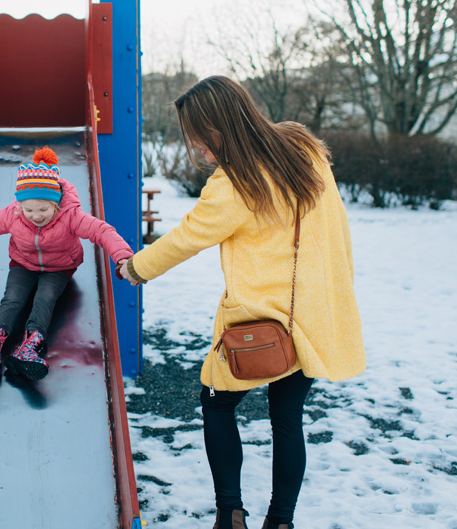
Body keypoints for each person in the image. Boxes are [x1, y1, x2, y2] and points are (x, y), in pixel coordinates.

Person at [118, 76, 365, 529]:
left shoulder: (235, 184)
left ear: (219, 125)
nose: (193, 143)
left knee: (216, 402)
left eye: (197, 132)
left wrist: (136, 268)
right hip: (317, 311)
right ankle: (281, 521)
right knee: (287, 418)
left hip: (262, 321)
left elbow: (187, 237)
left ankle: (230, 512)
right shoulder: (303, 147)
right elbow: (337, 222)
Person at [0, 147, 134, 381]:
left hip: (59, 267)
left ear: (56, 204)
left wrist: (122, 257)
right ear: (19, 205)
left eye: (43, 209)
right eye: (29, 209)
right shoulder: (12, 215)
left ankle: (31, 345)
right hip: (23, 264)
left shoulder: (71, 216)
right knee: (13, 297)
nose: (35, 215)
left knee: (45, 298)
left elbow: (102, 232)